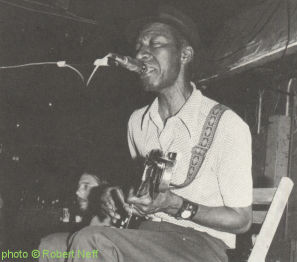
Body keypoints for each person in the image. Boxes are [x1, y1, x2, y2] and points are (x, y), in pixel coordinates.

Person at [66, 5, 253, 262]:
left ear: (184, 55)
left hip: (203, 246)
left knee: (90, 241)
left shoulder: (227, 124)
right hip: (148, 235)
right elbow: (143, 193)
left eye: (155, 44)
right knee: (49, 245)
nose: (142, 53)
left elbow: (242, 220)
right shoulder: (137, 122)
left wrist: (175, 205)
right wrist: (118, 196)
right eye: (139, 47)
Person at [38, 172, 111, 262]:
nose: (77, 192)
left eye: (85, 186)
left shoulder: (110, 219)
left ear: (105, 189)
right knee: (49, 243)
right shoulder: (95, 218)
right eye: (78, 186)